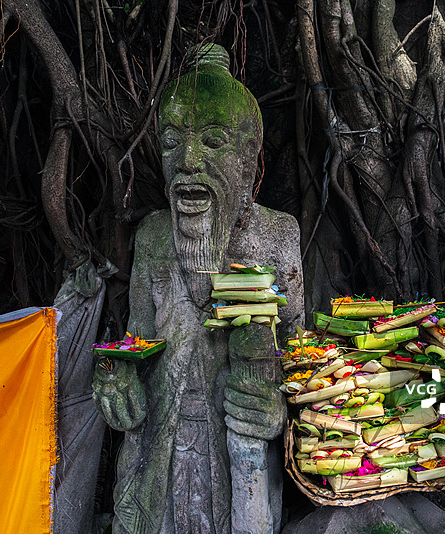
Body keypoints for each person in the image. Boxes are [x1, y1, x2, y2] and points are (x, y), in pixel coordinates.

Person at [93, 43, 304, 534]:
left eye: (212, 140)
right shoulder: (151, 238)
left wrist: (279, 411)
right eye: (171, 142)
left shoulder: (277, 238)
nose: (188, 161)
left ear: (249, 161)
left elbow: (303, 357)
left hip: (240, 465)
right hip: (159, 466)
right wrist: (112, 376)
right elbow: (132, 344)